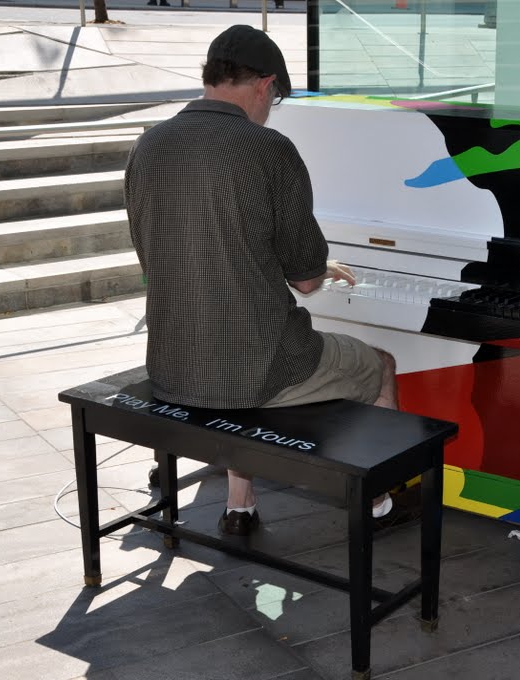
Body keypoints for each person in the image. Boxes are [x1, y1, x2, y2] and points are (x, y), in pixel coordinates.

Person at [124, 25, 411, 537]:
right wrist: (321, 267)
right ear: (264, 85)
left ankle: (241, 504)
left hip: (172, 363)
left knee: (238, 347)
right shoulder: (267, 149)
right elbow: (304, 279)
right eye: (275, 98)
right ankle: (379, 504)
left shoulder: (149, 145)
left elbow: (159, 252)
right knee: (381, 364)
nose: (270, 108)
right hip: (259, 373)